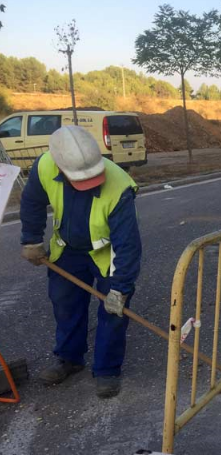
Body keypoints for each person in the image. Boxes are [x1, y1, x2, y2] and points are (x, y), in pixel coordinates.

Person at [20, 126, 142, 399]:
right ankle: (69, 358)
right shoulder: (44, 166)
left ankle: (107, 370)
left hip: (106, 254)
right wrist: (31, 240)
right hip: (67, 250)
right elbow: (32, 203)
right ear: (61, 168)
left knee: (113, 312)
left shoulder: (119, 186)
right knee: (65, 304)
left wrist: (120, 289)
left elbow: (128, 244)